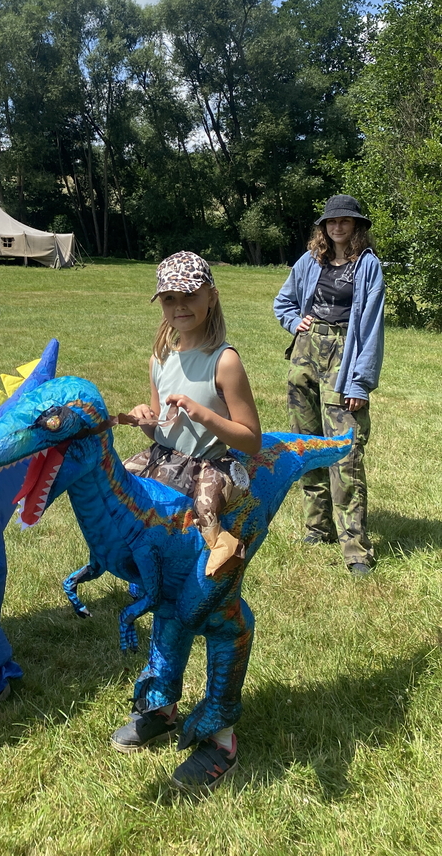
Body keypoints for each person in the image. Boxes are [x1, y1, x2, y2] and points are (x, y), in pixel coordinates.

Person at [111, 251, 262, 784]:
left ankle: (220, 545)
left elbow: (251, 438)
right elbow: (162, 428)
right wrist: (146, 421)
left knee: (202, 589)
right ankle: (162, 705)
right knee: (125, 493)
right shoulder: (160, 354)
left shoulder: (225, 360)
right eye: (169, 298)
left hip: (213, 471)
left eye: (188, 295)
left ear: (210, 296)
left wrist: (205, 415)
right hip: (168, 465)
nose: (178, 306)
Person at [273, 194, 385, 577]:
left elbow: (371, 328)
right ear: (323, 227)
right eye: (331, 222)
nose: (337, 227)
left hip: (344, 354)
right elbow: (283, 302)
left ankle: (355, 549)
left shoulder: (367, 266)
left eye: (344, 221)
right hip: (305, 354)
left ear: (356, 226)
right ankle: (317, 527)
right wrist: (295, 321)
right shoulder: (310, 261)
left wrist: (360, 383)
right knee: (305, 442)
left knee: (344, 450)